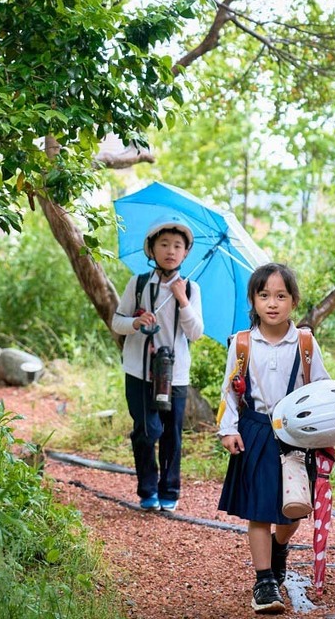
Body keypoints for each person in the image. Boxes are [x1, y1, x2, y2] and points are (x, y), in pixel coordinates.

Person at [217, 262, 331, 614]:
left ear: (293, 302)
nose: (272, 303)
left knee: (293, 509)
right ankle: (264, 581)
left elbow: (322, 390)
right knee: (259, 511)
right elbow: (230, 393)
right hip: (255, 431)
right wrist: (229, 429)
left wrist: (327, 429)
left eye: (281, 296)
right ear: (253, 301)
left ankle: (280, 548)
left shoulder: (306, 343)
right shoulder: (242, 344)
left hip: (295, 435)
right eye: (264, 295)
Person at [112, 214, 204, 512]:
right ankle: (147, 488)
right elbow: (117, 322)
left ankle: (170, 490)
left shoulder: (190, 289)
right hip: (139, 370)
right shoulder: (138, 284)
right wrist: (136, 322)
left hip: (174, 373)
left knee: (172, 435)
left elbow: (196, 333)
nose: (171, 250)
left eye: (178, 245)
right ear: (151, 249)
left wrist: (183, 302)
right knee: (146, 430)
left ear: (186, 253)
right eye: (164, 244)